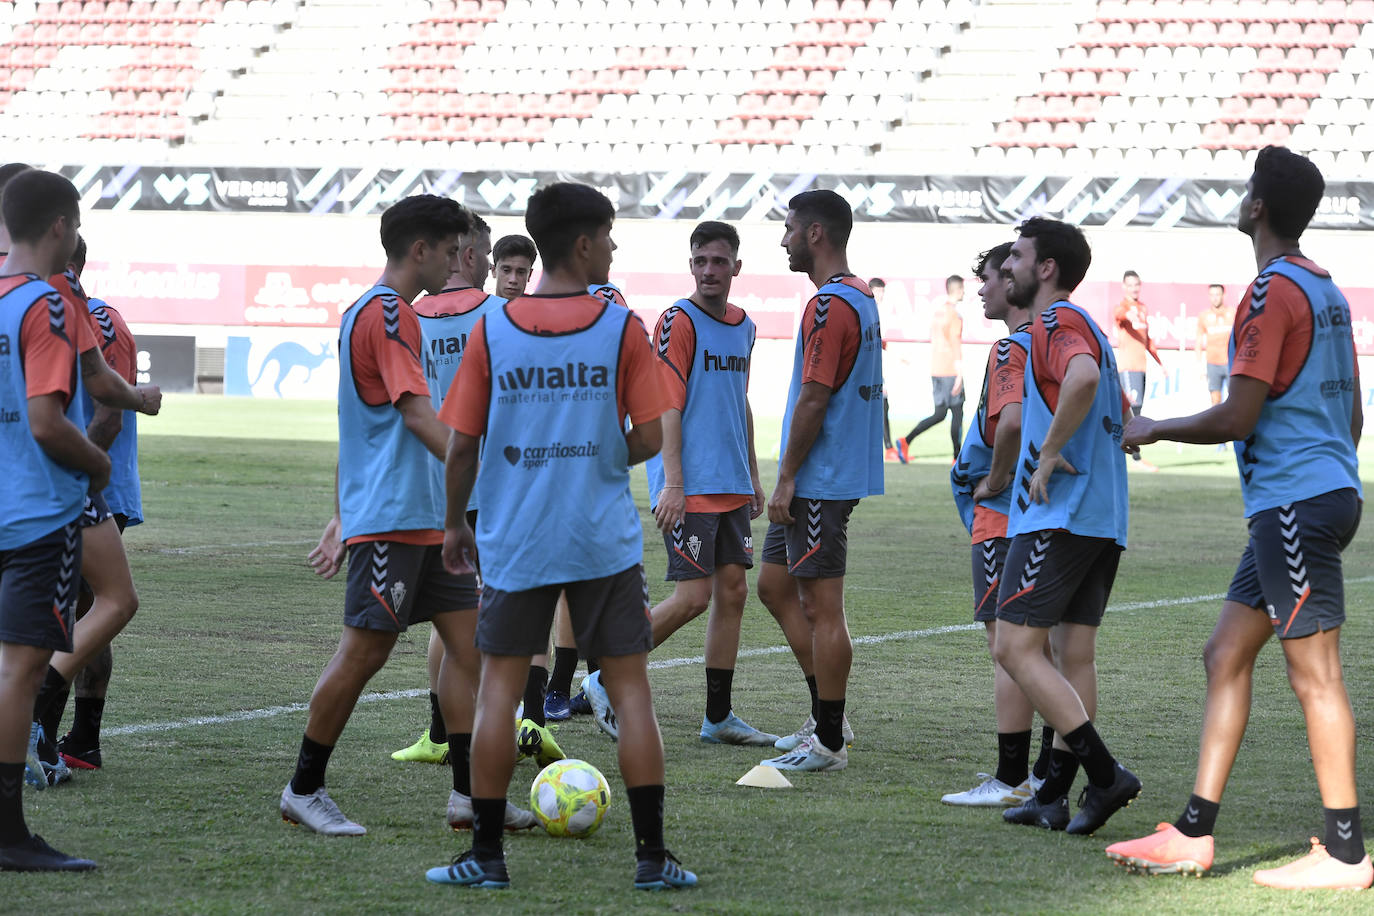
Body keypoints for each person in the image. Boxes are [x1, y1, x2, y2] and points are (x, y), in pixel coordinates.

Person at [1108, 147, 1371, 890]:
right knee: (1225, 653)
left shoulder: (1268, 293)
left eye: (1247, 188)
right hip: (1307, 502)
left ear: (1258, 207)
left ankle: (1346, 852)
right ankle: (1193, 832)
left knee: (1315, 676)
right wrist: (1321, 477)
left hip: (1293, 508)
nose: (1242, 196)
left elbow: (1238, 414)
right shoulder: (1326, 289)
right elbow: (1349, 409)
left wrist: (1153, 427)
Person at [425, 182, 695, 891]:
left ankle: (486, 858)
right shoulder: (622, 327)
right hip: (601, 537)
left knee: (499, 696)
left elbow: (462, 447)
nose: (613, 247)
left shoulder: (496, 325)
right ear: (583, 243)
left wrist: (455, 524)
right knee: (631, 690)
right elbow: (646, 434)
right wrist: (600, 450)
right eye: (608, 236)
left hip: (516, 536)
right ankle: (651, 858)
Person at [285, 195, 535, 837]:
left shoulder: (373, 312)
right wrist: (482, 465)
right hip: (395, 516)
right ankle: (303, 787)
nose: (460, 262)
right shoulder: (390, 313)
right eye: (452, 250)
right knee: (363, 653)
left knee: (472, 648)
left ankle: (467, 796)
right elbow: (415, 413)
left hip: (425, 517)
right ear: (420, 250)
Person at [584, 220, 774, 747]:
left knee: (732, 593)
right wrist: (672, 482)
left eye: (719, 261)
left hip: (730, 480)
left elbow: (741, 399)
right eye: (700, 261)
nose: (709, 270)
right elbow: (667, 402)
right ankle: (605, 676)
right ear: (690, 265)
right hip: (689, 484)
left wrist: (754, 474)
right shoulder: (677, 320)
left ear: (737, 266)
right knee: (693, 597)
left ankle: (718, 717)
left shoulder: (744, 325)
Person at [992, 217, 1140, 836]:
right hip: (1102, 515)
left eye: (1017, 258)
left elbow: (1080, 379)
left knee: (1013, 647)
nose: (1007, 270)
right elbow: (1120, 407)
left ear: (1045, 268)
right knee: (1069, 652)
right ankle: (1052, 794)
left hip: (1060, 512)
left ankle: (1105, 776)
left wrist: (1049, 451)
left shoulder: (1054, 321)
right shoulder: (1091, 329)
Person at [754, 189, 883, 773]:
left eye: (787, 229)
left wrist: (785, 479)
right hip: (828, 473)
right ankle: (825, 712)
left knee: (822, 606)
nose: (782, 240)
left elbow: (814, 398)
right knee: (775, 587)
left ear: (814, 234)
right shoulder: (860, 297)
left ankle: (829, 740)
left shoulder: (830, 305)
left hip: (819, 479)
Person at [0, 168, 106, 870]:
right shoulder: (47, 304)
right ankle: (9, 834)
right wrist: (96, 464)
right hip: (38, 513)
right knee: (21, 668)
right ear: (63, 228)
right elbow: (46, 422)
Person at [943, 241, 1055, 806]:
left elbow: (1009, 423)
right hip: (1049, 515)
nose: (985, 287)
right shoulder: (1058, 340)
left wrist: (996, 480)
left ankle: (1010, 778)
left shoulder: (1012, 347)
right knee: (1044, 649)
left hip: (1003, 516)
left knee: (1007, 646)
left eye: (990, 277)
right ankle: (1042, 772)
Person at [46, 236, 146, 773]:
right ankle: (79, 739)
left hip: (88, 487)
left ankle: (53, 735)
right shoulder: (38, 311)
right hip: (65, 484)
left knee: (71, 612)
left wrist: (75, 478)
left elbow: (108, 415)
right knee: (80, 612)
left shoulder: (102, 321)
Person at [900, 275, 964, 461]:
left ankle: (906, 441)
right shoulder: (954, 315)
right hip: (951, 371)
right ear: (958, 290)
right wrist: (959, 374)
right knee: (957, 414)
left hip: (936, 370)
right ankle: (956, 458)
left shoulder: (938, 312)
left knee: (940, 414)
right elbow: (955, 344)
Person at [1114, 270, 1161, 470]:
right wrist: (1127, 314)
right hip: (1128, 367)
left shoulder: (1143, 308)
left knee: (1137, 410)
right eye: (1130, 284)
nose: (1134, 288)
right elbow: (1119, 317)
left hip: (1141, 367)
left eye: (1136, 284)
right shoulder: (1123, 307)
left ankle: (1132, 453)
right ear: (1124, 286)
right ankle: (1135, 457)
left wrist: (1161, 363)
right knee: (1130, 411)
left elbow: (1147, 340)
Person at [869, 278, 899, 461]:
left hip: (877, 372)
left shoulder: (877, 313)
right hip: (870, 372)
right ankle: (887, 448)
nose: (881, 295)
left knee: (882, 407)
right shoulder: (867, 311)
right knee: (879, 407)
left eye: (882, 291)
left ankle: (887, 448)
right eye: (878, 291)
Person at [1195, 283, 1234, 407]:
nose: (1215, 298)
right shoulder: (1204, 315)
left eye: (1217, 294)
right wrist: (1200, 365)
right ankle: (1216, 426)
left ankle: (1233, 426)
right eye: (1212, 295)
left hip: (1230, 363)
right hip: (1212, 363)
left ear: (1224, 295)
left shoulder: (1233, 313)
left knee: (1234, 399)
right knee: (1215, 400)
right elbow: (1199, 341)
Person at [490, 234, 536, 301]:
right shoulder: (479, 310)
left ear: (530, 275)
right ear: (493, 271)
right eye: (506, 270)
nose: (513, 280)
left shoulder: (539, 310)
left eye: (520, 272)